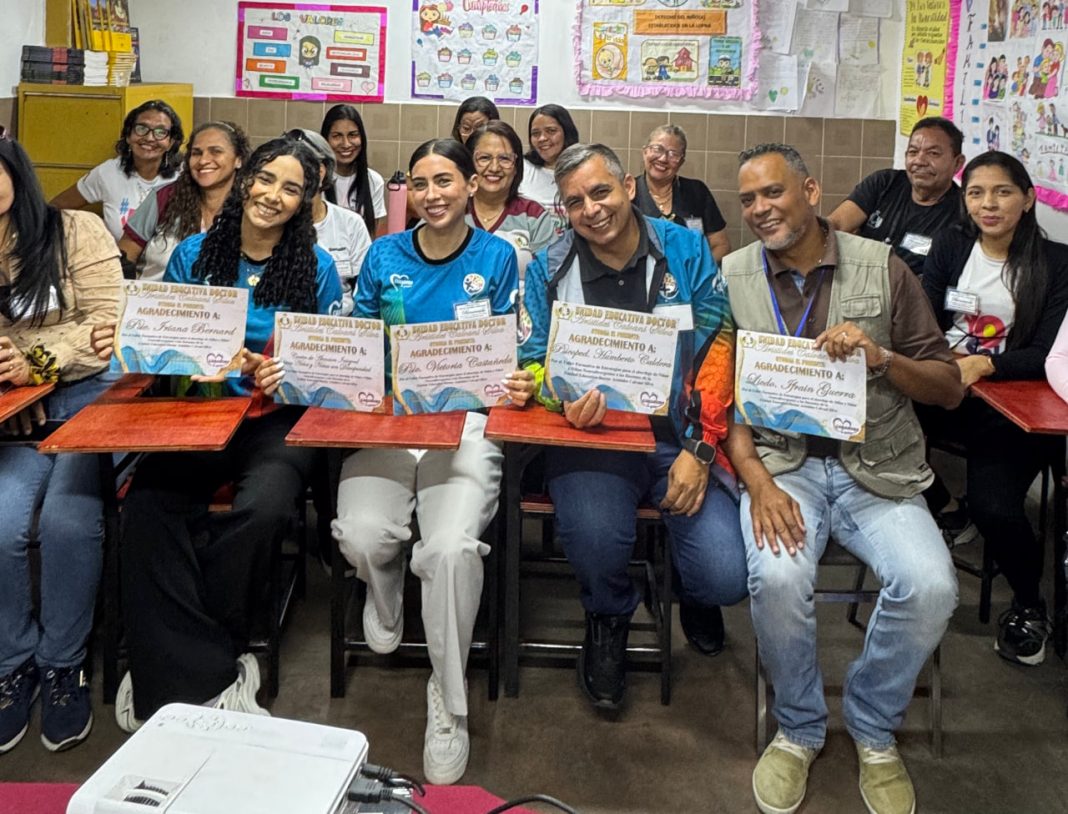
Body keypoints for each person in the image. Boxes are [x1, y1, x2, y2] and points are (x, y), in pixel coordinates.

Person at [724, 143, 961, 814]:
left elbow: (946, 387)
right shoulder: (734, 274)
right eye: (748, 200)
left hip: (876, 469)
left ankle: (871, 724)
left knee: (932, 585)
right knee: (775, 576)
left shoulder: (884, 268)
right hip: (783, 467)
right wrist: (757, 481)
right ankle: (798, 726)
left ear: (810, 187)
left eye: (773, 193)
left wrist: (881, 357)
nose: (761, 210)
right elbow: (728, 401)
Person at [91, 137, 343, 730]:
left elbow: (329, 364)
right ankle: (215, 666)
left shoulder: (319, 268)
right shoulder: (196, 255)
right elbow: (165, 344)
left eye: (291, 188)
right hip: (198, 412)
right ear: (246, 180)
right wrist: (146, 347)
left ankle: (171, 657)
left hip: (272, 421)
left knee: (263, 510)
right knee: (149, 507)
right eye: (265, 180)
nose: (273, 196)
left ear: (305, 201)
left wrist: (286, 370)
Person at [320, 139, 528, 785]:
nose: (435, 194)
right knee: (358, 535)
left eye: (448, 181)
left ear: (471, 187)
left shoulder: (498, 257)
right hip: (388, 420)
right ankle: (386, 602)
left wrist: (520, 380)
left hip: (466, 426)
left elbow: (512, 346)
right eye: (423, 183)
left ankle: (448, 699)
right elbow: (357, 337)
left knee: (448, 550)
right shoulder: (383, 255)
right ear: (407, 191)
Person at [519, 143, 748, 711]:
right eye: (575, 202)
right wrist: (560, 396)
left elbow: (721, 341)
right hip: (593, 438)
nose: (592, 210)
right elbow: (531, 356)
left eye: (600, 192)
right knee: (597, 542)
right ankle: (608, 613)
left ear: (626, 185)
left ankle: (689, 588)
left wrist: (701, 444)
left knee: (726, 578)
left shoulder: (685, 248)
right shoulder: (548, 261)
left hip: (677, 436)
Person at [0, 130, 123, 754]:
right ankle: (12, 664)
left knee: (69, 524)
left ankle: (62, 664)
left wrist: (36, 364)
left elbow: (107, 326)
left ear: (14, 172)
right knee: (0, 524)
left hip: (89, 399)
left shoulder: (75, 231)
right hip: (10, 416)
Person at [922, 151, 1068, 666]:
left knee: (997, 506)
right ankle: (946, 510)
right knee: (874, 429)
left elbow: (1048, 353)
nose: (988, 203)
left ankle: (1030, 604)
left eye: (1002, 191)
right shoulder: (953, 244)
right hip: (946, 386)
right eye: (976, 192)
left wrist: (983, 367)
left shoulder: (1056, 263)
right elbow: (922, 317)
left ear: (1028, 200)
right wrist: (939, 363)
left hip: (1009, 403)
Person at [828, 117, 965, 276]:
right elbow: (835, 225)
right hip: (857, 282)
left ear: (957, 163)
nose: (919, 161)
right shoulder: (884, 183)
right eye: (913, 152)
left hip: (911, 295)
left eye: (933, 153)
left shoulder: (962, 213)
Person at [118, 120, 250, 281]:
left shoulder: (250, 207)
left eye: (215, 152)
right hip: (152, 303)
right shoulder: (164, 197)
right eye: (196, 153)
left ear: (239, 159)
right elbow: (123, 260)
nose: (203, 160)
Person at [51, 100, 184, 241]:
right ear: (128, 136)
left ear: (171, 143)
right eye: (141, 128)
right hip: (119, 261)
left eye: (160, 132)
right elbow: (55, 207)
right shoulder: (108, 173)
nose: (149, 138)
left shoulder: (183, 176)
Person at [284, 128, 371, 316]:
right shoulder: (274, 223)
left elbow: (365, 293)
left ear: (321, 171)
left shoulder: (351, 223)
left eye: (298, 169)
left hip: (339, 327)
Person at [466, 120, 557, 288]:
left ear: (516, 167)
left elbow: (550, 278)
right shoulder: (453, 210)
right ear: (470, 164)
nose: (494, 167)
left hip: (521, 312)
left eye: (505, 159)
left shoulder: (533, 215)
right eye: (484, 158)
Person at [634, 124, 731, 264]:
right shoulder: (629, 193)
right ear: (645, 152)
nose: (663, 158)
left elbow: (721, 246)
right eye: (657, 149)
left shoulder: (697, 192)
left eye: (673, 154)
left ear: (681, 162)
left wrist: (697, 273)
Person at [321, 104, 385, 238]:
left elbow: (371, 236)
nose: (346, 144)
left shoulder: (374, 181)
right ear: (325, 140)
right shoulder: (316, 179)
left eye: (353, 135)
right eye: (337, 136)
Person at [518, 104, 580, 232]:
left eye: (551, 131)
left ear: (566, 132)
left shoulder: (581, 170)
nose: (542, 138)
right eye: (535, 133)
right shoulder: (522, 168)